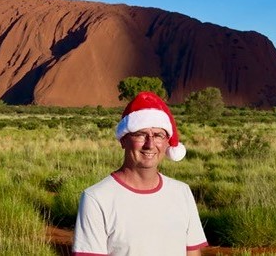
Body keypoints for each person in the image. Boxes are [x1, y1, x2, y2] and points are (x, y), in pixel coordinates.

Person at [72, 91, 208, 256]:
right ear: (123, 140)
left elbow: (193, 253)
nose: (150, 144)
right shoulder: (97, 198)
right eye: (140, 134)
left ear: (167, 142)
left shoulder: (182, 192)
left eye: (158, 135)